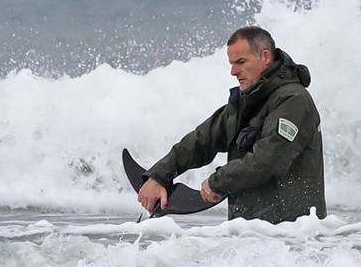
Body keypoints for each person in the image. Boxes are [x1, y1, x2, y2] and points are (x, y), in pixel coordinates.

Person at [137, 26, 326, 223]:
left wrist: (218, 183)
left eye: (241, 62)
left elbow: (270, 160)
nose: (233, 71)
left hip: (293, 240)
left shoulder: (294, 100)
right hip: (251, 235)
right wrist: (159, 176)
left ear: (266, 57)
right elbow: (203, 140)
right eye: (231, 63)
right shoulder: (249, 100)